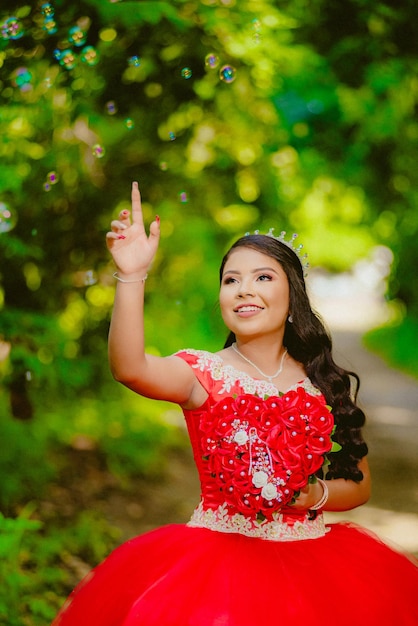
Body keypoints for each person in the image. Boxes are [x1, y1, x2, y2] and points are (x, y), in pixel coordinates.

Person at [53, 182, 418, 625]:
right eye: (231, 280)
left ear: (292, 299)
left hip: (311, 560)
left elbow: (358, 486)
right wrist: (132, 275)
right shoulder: (202, 374)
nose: (244, 289)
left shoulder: (322, 383)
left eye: (263, 277)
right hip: (218, 562)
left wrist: (311, 495)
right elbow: (129, 367)